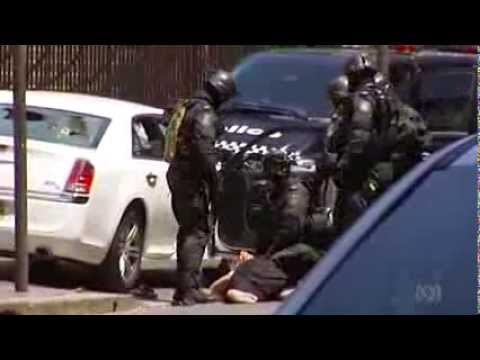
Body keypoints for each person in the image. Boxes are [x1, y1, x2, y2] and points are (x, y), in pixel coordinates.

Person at [166, 69, 237, 306]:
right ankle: (188, 291)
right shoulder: (205, 113)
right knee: (196, 232)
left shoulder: (188, 106)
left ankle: (185, 287)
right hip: (191, 180)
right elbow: (205, 152)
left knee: (188, 230)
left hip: (179, 175)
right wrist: (216, 182)